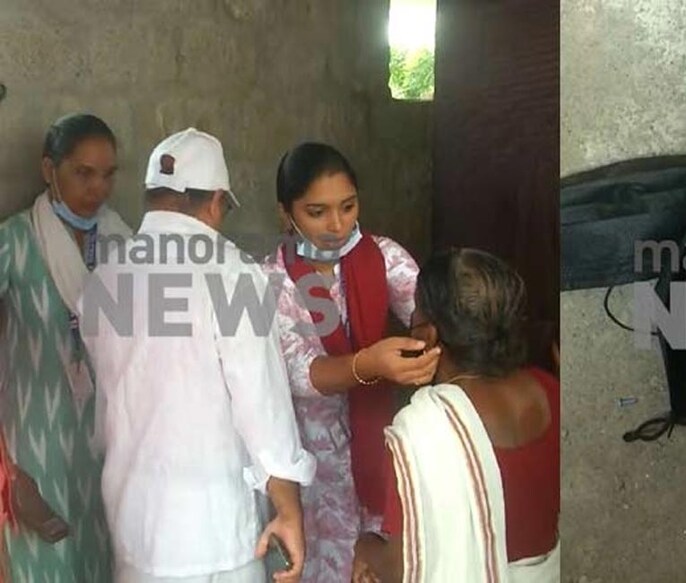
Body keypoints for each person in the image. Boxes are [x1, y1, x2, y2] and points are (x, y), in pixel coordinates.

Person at [77, 128, 316, 582]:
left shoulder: (103, 280)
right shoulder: (231, 274)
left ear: (151, 197)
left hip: (136, 531)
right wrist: (288, 509)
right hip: (214, 536)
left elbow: (100, 402)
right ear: (215, 202)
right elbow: (261, 407)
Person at [263, 142, 439, 581]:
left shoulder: (383, 257)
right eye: (317, 212)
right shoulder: (271, 281)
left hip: (380, 448)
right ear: (286, 214)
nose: (338, 225)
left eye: (348, 206)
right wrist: (371, 364)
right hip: (314, 467)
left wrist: (424, 334)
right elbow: (301, 374)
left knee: (381, 563)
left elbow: (429, 310)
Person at [353, 248, 561, 583]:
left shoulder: (425, 428)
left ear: (427, 334)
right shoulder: (548, 387)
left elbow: (402, 567)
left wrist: (364, 546)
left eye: (415, 311)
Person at [0, 113, 132, 581]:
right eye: (83, 173)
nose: (98, 188)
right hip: (38, 444)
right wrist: (8, 472)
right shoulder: (15, 242)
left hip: (107, 443)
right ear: (48, 170)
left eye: (108, 174)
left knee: (102, 560)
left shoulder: (122, 245)